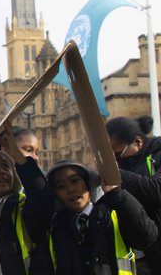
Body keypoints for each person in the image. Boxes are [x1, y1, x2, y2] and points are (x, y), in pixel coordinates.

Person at [28, 160, 156, 274]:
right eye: (61, 187)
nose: (70, 189)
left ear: (88, 183)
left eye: (74, 181)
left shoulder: (113, 214)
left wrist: (116, 195)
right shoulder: (54, 230)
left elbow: (146, 236)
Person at [107, 116, 161, 274]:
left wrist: (115, 173)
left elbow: (157, 189)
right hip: (140, 253)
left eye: (117, 154)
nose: (116, 160)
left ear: (137, 142)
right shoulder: (126, 163)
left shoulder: (157, 154)